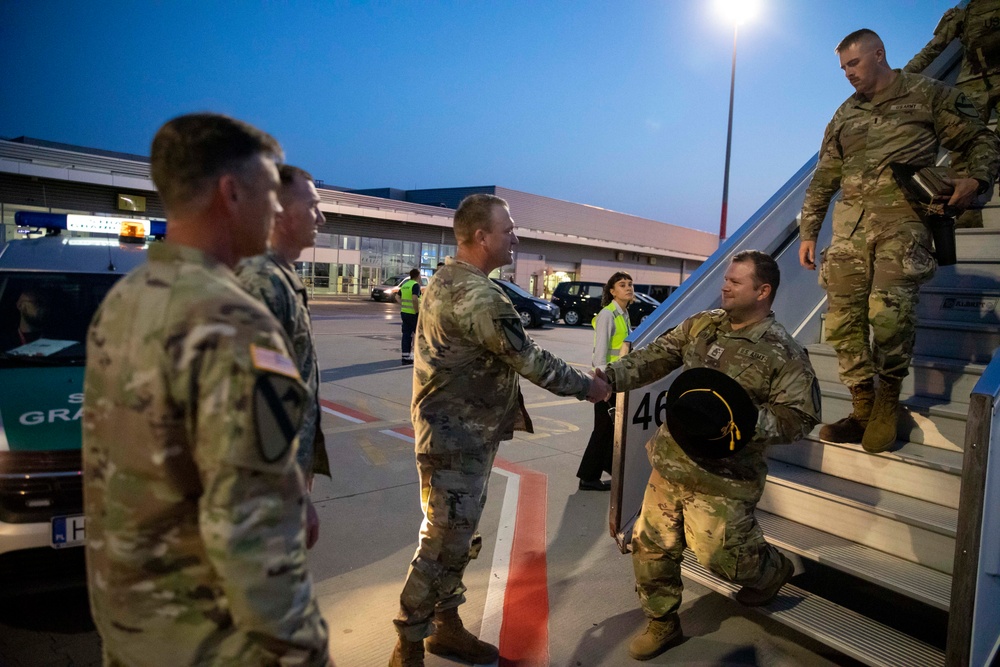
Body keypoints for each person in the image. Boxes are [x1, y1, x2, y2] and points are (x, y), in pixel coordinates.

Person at [82, 113, 331, 666]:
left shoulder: (127, 298)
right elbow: (251, 532)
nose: (273, 210)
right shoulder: (228, 320)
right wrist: (303, 653)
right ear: (232, 192)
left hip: (132, 627)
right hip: (209, 638)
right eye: (269, 191)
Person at [389, 193, 610, 667]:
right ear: (481, 236)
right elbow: (531, 359)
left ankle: (445, 627)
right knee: (443, 540)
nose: (516, 236)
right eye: (508, 229)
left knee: (455, 535)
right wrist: (588, 387)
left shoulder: (452, 279)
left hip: (460, 433)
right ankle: (407, 646)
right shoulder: (477, 295)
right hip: (456, 439)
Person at [597, 250, 820, 661]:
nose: (725, 286)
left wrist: (738, 424)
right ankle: (662, 623)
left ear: (763, 291)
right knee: (651, 547)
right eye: (726, 279)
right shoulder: (703, 325)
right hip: (672, 460)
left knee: (723, 559)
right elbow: (655, 357)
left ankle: (772, 569)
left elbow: (799, 417)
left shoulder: (783, 351)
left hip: (726, 475)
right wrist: (609, 378)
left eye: (736, 282)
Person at [799, 28, 1000, 453]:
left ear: (879, 54)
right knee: (842, 324)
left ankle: (888, 402)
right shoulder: (843, 115)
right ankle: (862, 408)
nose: (848, 74)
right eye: (843, 68)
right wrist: (809, 231)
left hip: (904, 224)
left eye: (853, 63)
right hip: (849, 232)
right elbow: (824, 177)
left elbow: (979, 137)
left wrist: (976, 178)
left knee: (888, 317)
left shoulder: (926, 94)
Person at [237, 164, 331, 549]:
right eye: (312, 207)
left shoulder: (281, 277)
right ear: (277, 211)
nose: (321, 218)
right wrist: (292, 491)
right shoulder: (261, 283)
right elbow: (256, 401)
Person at [905, 0, 1000, 227]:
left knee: (981, 143)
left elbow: (933, 49)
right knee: (962, 145)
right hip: (972, 79)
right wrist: (902, 76)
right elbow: (934, 48)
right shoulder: (965, 12)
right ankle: (965, 210)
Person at [577, 271, 634, 491]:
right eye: (622, 285)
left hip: (618, 379)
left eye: (630, 284)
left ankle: (607, 468)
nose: (628, 288)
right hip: (607, 381)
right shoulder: (608, 315)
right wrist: (603, 385)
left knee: (611, 428)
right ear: (612, 291)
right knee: (603, 429)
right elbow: (600, 355)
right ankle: (588, 477)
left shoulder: (623, 314)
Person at [395, 268, 421, 365]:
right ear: (418, 276)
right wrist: (417, 311)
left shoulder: (405, 285)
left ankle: (405, 357)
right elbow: (415, 299)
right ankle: (419, 357)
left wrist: (403, 305)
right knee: (419, 336)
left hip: (404, 313)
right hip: (413, 314)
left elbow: (397, 297)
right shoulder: (415, 285)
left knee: (406, 335)